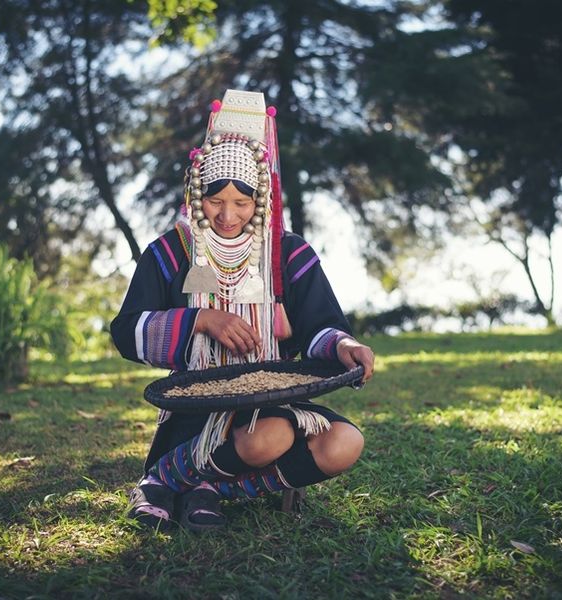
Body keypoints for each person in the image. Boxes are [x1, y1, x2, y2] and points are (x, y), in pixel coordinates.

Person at [110, 89, 375, 532]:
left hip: (274, 395)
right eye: (215, 201)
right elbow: (125, 330)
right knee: (268, 437)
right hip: (200, 409)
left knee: (344, 443)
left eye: (242, 202)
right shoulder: (171, 252)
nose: (228, 216)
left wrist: (345, 344)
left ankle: (201, 485)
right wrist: (200, 318)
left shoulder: (287, 253)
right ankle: (161, 478)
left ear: (262, 199)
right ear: (197, 195)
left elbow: (320, 324)